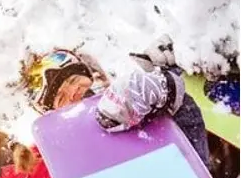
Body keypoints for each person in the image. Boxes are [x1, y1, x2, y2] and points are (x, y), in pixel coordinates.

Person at [20, 35, 209, 163]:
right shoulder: (76, 155)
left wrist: (169, 86)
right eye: (61, 98)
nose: (73, 93)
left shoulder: (136, 96)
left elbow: (194, 160)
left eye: (73, 80)